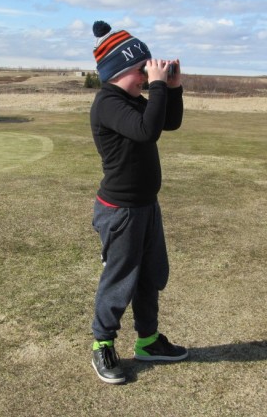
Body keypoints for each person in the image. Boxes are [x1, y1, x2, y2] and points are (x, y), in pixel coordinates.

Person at [89, 20, 188, 384]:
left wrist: (172, 88)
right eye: (142, 70)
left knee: (150, 276)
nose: (147, 77)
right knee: (119, 281)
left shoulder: (130, 99)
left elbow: (167, 123)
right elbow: (147, 131)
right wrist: (158, 85)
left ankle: (147, 340)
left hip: (146, 206)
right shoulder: (108, 103)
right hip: (121, 212)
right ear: (119, 70)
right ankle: (102, 344)